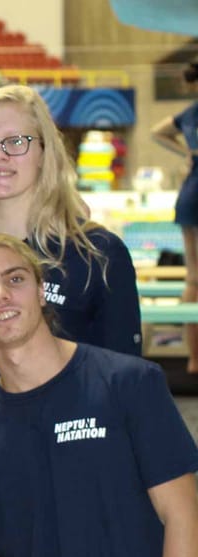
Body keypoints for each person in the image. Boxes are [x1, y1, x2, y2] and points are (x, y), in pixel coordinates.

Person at [0, 232, 198, 557]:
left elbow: (183, 517)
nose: (0, 295)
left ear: (42, 290)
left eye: (15, 279)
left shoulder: (129, 384)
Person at [0, 84, 141, 419]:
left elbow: (125, 382)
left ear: (45, 154)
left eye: (17, 142)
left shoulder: (99, 255)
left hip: (72, 452)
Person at [150, 60, 198, 373]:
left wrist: (188, 153)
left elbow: (158, 132)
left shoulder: (190, 112)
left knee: (193, 278)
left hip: (191, 190)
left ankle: (194, 361)